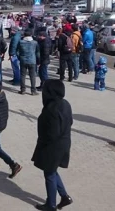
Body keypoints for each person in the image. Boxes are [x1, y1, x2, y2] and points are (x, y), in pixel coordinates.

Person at [32, 79, 74, 211]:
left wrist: (43, 143)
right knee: (53, 171)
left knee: (49, 174)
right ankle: (64, 197)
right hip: (64, 143)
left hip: (52, 146)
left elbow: (52, 133)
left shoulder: (51, 109)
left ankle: (51, 205)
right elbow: (70, 122)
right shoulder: (65, 104)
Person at [17, 29, 40, 95]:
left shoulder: (21, 42)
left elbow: (17, 51)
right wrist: (38, 61)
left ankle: (23, 90)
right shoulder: (35, 43)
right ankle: (33, 90)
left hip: (23, 60)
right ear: (31, 35)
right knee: (32, 76)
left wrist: (20, 57)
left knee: (22, 75)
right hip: (32, 60)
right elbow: (38, 53)